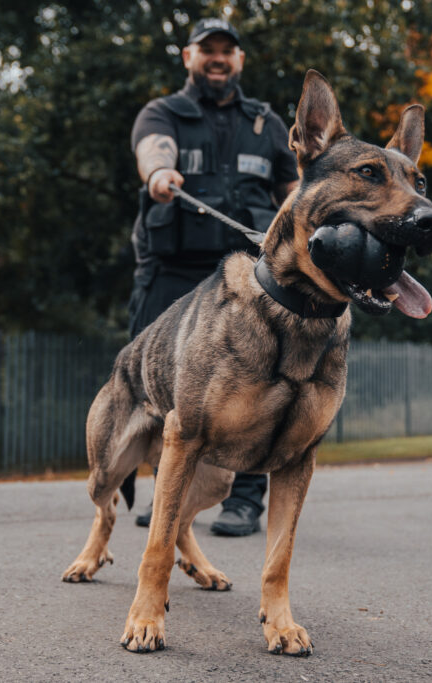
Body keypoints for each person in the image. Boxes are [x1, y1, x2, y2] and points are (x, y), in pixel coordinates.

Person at [125, 17, 299, 536]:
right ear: (188, 57)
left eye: (228, 50)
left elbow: (295, 190)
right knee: (154, 383)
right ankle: (165, 495)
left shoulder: (265, 123)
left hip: (244, 276)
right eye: (208, 50)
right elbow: (152, 151)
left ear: (239, 60)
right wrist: (160, 174)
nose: (218, 58)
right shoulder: (163, 113)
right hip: (171, 270)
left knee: (260, 383)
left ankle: (243, 500)